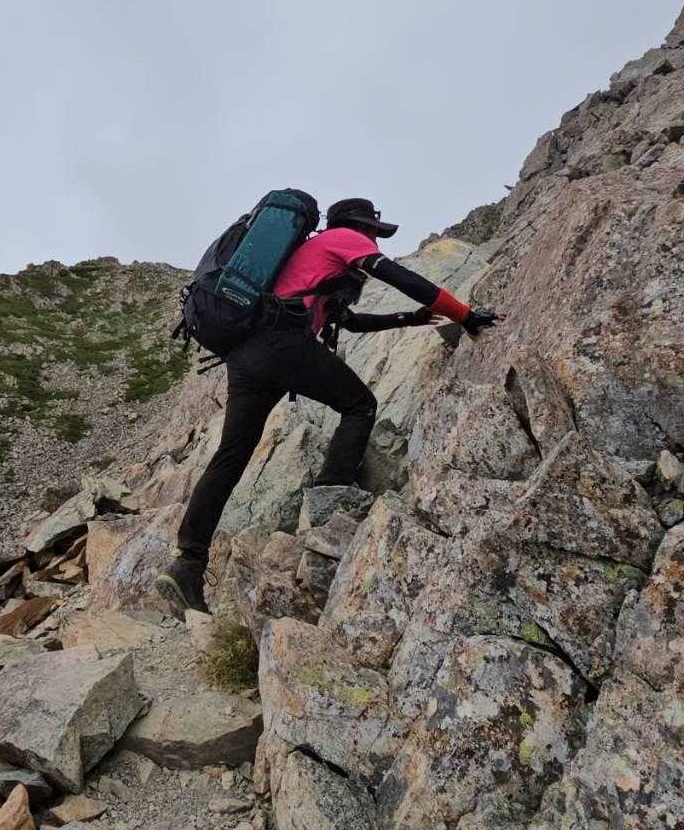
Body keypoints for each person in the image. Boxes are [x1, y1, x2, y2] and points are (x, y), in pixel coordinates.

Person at [155, 197, 499, 612]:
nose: (374, 241)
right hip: (281, 346)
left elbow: (349, 322)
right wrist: (464, 314)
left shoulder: (312, 258)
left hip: (247, 356)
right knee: (360, 405)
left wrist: (409, 319)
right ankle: (330, 501)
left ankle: (187, 564)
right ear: (357, 226)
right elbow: (399, 276)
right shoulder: (342, 239)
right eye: (374, 232)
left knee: (230, 457)